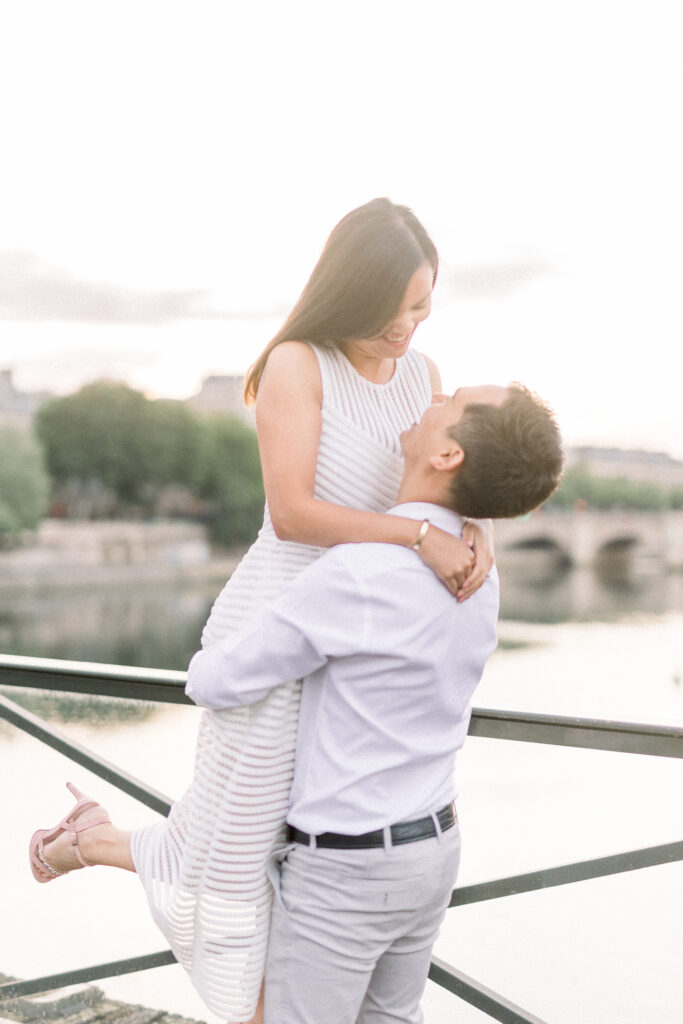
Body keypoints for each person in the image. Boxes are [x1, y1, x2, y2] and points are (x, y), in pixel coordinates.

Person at [28, 199, 495, 1024]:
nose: (408, 327)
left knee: (293, 862)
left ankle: (93, 838)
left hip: (354, 641)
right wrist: (420, 535)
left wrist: (473, 529)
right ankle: (98, 848)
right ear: (351, 290)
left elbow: (447, 477)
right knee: (237, 858)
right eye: (395, 306)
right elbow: (293, 515)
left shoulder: (423, 380)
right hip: (280, 624)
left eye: (423, 306)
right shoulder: (296, 363)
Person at [181, 382, 565, 1024]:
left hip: (348, 865)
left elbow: (213, 681)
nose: (436, 393)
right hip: (432, 844)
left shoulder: (359, 573)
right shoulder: (480, 569)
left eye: (453, 399)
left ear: (448, 455)